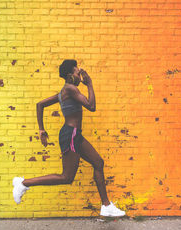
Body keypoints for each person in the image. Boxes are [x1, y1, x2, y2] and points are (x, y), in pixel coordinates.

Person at [12, 59, 125, 217]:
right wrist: (90, 84)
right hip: (70, 134)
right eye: (78, 72)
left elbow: (40, 105)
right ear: (70, 75)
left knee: (98, 163)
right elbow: (91, 106)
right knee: (66, 177)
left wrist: (41, 129)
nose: (81, 75)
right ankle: (23, 183)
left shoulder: (63, 92)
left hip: (74, 135)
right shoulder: (70, 89)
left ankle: (106, 205)